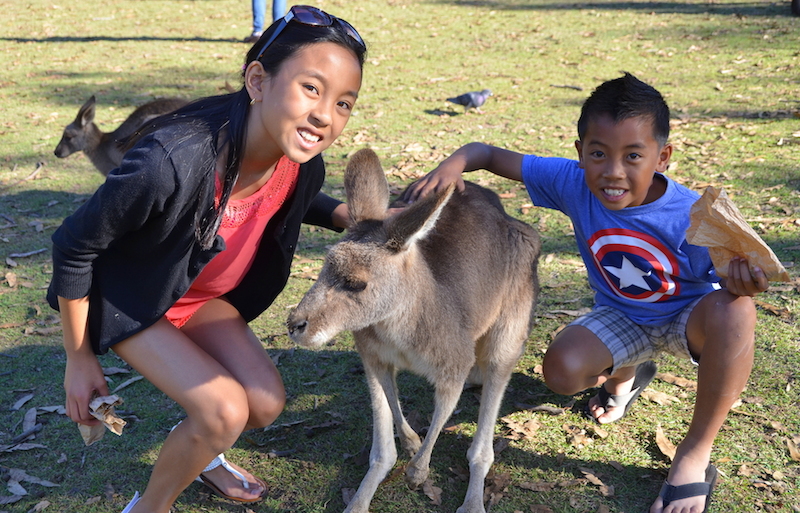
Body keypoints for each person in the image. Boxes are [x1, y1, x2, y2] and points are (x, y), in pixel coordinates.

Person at [48, 6, 366, 513]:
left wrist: (353, 217)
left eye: (344, 102)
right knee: (223, 410)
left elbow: (295, 200)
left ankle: (199, 445)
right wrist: (79, 358)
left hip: (196, 293)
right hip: (134, 297)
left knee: (262, 405)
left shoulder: (302, 161)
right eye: (311, 88)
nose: (326, 114)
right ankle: (150, 505)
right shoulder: (171, 161)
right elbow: (74, 246)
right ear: (258, 81)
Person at [404, 73, 768, 513]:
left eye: (633, 156)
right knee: (561, 373)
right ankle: (624, 375)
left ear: (663, 157)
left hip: (684, 318)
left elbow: (733, 281)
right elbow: (487, 153)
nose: (613, 171)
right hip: (622, 315)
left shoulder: (691, 213)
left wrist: (744, 284)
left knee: (738, 311)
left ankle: (694, 455)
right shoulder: (574, 181)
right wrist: (454, 164)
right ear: (580, 154)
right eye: (599, 154)